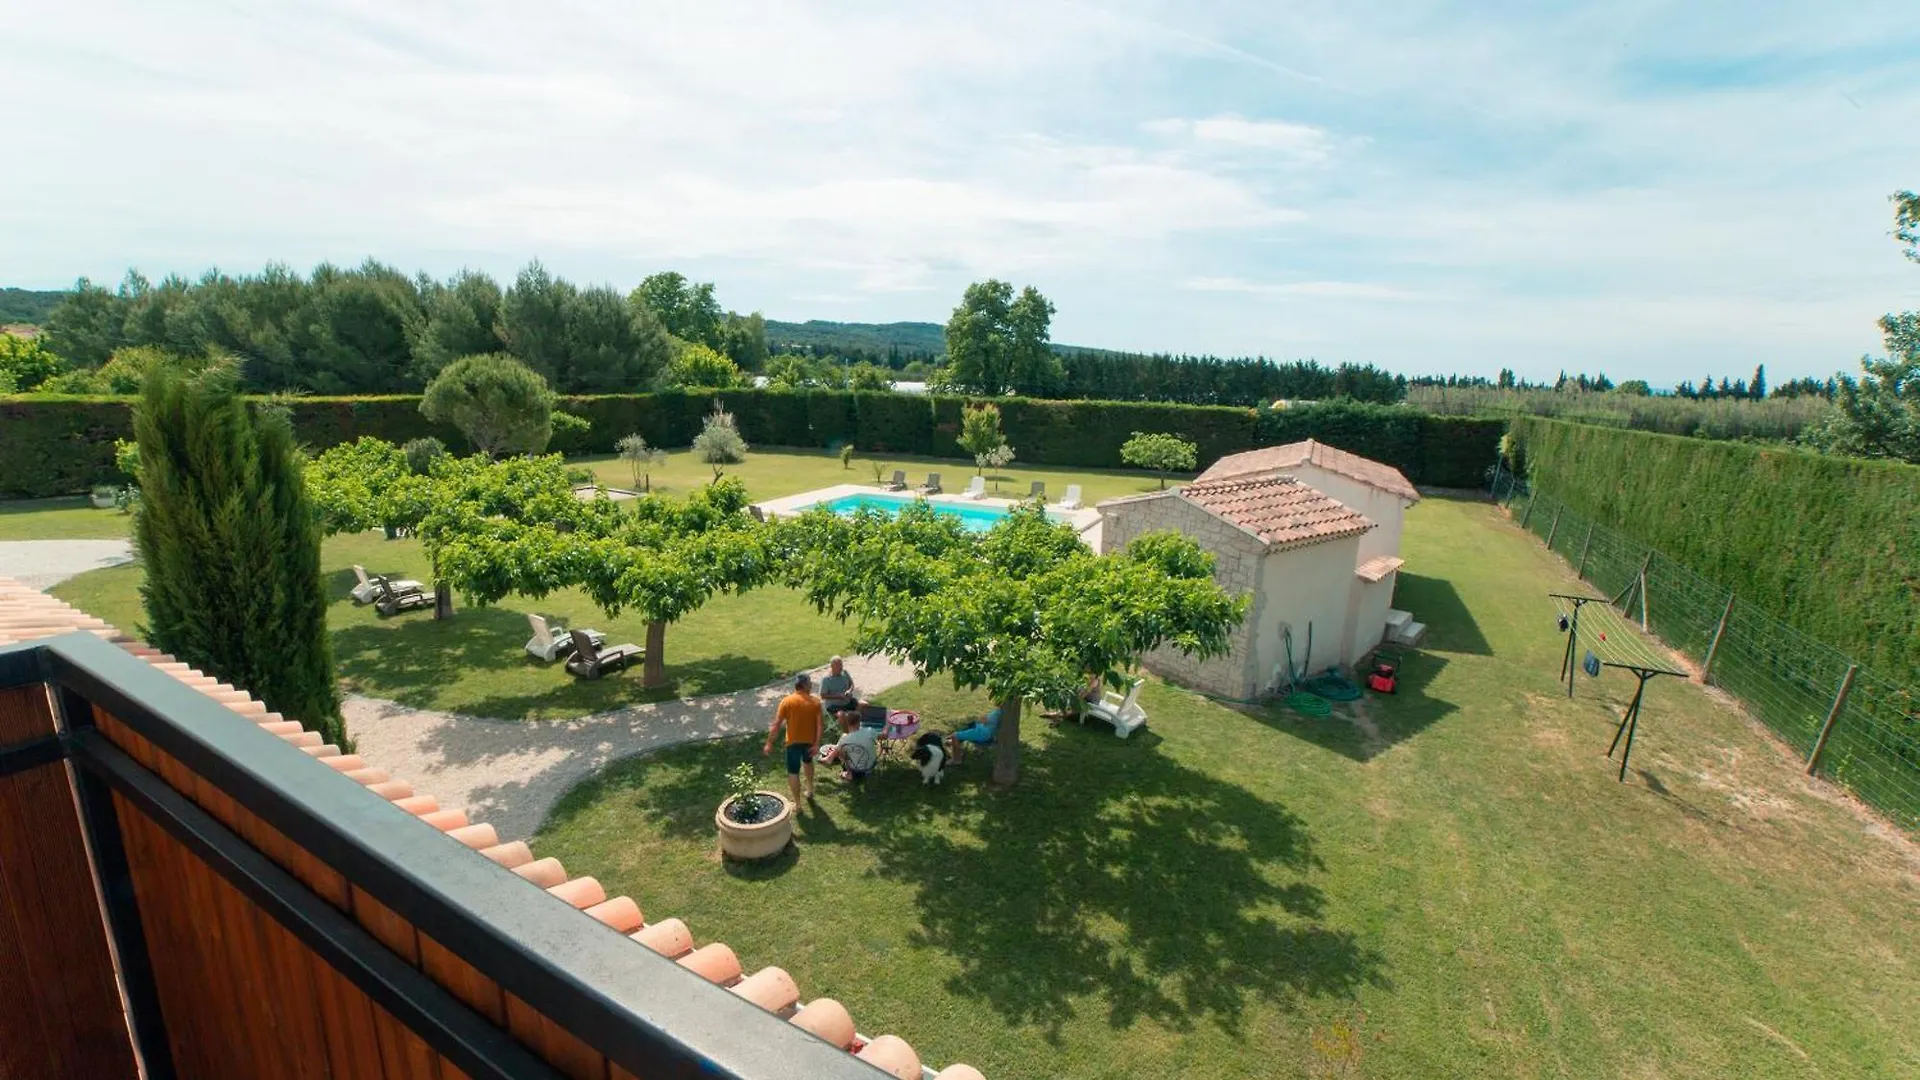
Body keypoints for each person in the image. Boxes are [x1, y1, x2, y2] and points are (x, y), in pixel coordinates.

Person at [764, 673, 824, 802]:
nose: (811, 685)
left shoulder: (786, 701)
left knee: (793, 772)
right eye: (809, 683)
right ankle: (810, 789)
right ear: (804, 685)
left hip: (792, 743)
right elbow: (819, 726)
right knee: (808, 762)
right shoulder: (815, 702)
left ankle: (797, 804)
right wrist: (816, 744)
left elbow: (776, 725)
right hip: (809, 742)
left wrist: (769, 743)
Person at [822, 709, 880, 786]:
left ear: (847, 723)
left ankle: (833, 761)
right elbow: (884, 736)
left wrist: (836, 750)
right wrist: (888, 725)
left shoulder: (844, 738)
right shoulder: (869, 731)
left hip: (855, 769)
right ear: (859, 722)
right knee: (842, 749)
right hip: (871, 765)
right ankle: (830, 758)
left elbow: (840, 751)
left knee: (841, 750)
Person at [819, 655, 859, 720]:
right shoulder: (826, 679)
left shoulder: (845, 673)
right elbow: (823, 695)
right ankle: (846, 726)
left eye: (841, 665)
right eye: (838, 665)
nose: (841, 667)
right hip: (834, 705)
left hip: (847, 702)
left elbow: (851, 684)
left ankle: (858, 724)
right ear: (832, 666)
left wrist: (849, 691)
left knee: (863, 705)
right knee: (842, 715)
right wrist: (838, 696)